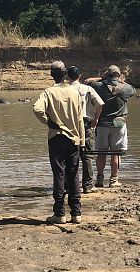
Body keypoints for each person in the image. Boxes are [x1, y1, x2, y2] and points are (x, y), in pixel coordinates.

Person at [33, 61, 85, 224]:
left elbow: (37, 108)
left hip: (56, 139)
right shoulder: (75, 93)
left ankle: (59, 213)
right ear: (65, 75)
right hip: (74, 139)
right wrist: (82, 142)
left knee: (59, 175)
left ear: (52, 75)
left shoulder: (48, 92)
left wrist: (48, 122)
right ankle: (76, 213)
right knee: (74, 175)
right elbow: (79, 119)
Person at [85, 65, 136, 187]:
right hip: (119, 124)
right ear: (118, 75)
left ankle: (100, 179)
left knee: (101, 152)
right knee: (116, 153)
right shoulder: (126, 88)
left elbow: (86, 81)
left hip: (102, 124)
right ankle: (114, 180)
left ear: (107, 74)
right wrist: (120, 81)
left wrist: (101, 78)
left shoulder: (99, 86)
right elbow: (133, 90)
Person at [67, 66, 104, 193]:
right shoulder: (87, 88)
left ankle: (70, 185)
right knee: (87, 155)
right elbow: (100, 104)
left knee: (70, 155)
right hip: (86, 124)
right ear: (80, 76)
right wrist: (96, 118)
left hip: (69, 125)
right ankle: (87, 185)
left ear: (67, 76)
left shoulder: (64, 89)